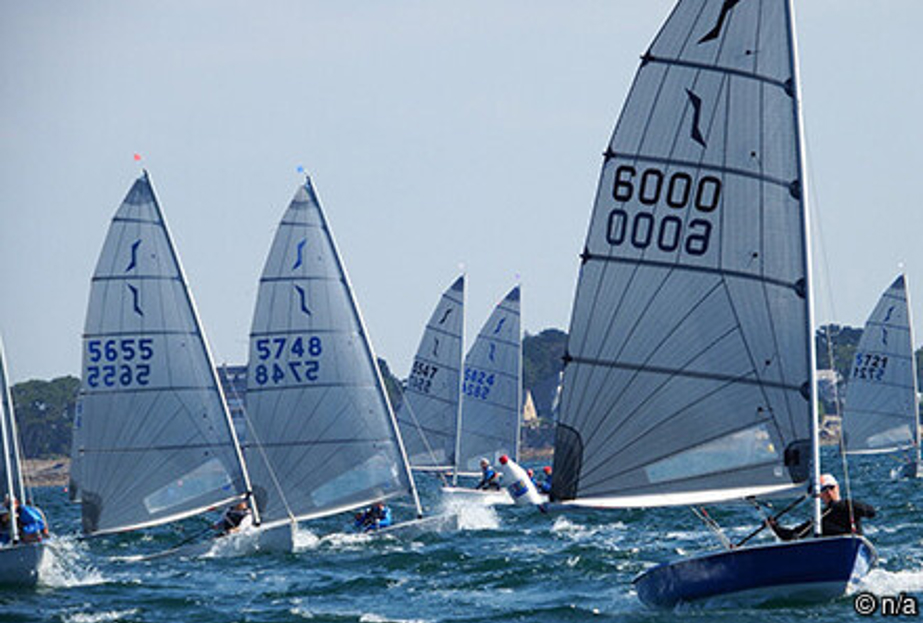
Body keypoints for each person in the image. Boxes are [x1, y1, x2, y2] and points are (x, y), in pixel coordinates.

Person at [766, 474, 876, 540]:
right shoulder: (821, 517)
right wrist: (775, 526)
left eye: (831, 488)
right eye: (824, 490)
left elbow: (871, 512)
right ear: (819, 495)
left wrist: (839, 505)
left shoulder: (849, 506)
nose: (828, 492)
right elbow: (792, 536)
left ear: (837, 487)